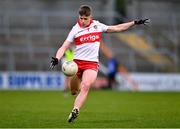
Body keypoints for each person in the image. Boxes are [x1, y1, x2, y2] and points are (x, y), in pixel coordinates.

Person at [50, 5, 149, 123]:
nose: (82, 21)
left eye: (85, 19)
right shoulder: (75, 29)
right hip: (77, 64)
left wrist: (134, 22)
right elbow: (64, 46)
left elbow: (117, 28)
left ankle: (75, 110)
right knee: (73, 91)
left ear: (90, 17)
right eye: (81, 18)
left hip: (91, 64)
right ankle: (74, 99)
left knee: (86, 86)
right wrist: (57, 58)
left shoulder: (97, 25)